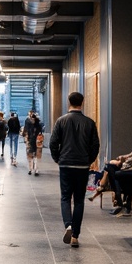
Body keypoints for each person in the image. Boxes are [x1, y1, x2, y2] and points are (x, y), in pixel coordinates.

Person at [49, 91, 100, 249]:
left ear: (68, 102)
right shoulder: (89, 122)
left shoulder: (61, 121)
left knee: (65, 197)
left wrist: (58, 158)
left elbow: (53, 143)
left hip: (65, 165)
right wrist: (89, 160)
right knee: (79, 200)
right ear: (82, 102)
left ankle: (68, 225)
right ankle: (75, 236)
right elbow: (95, 145)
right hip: (82, 166)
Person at [89, 127, 132, 215]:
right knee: (109, 167)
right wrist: (122, 158)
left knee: (115, 174)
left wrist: (121, 162)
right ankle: (118, 198)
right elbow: (131, 154)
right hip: (129, 168)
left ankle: (118, 199)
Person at [23, 110, 43, 174]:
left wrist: (26, 139)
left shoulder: (29, 123)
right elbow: (40, 132)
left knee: (31, 155)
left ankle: (31, 169)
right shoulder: (37, 124)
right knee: (34, 155)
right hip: (35, 141)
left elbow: (25, 131)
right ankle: (34, 169)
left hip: (32, 140)